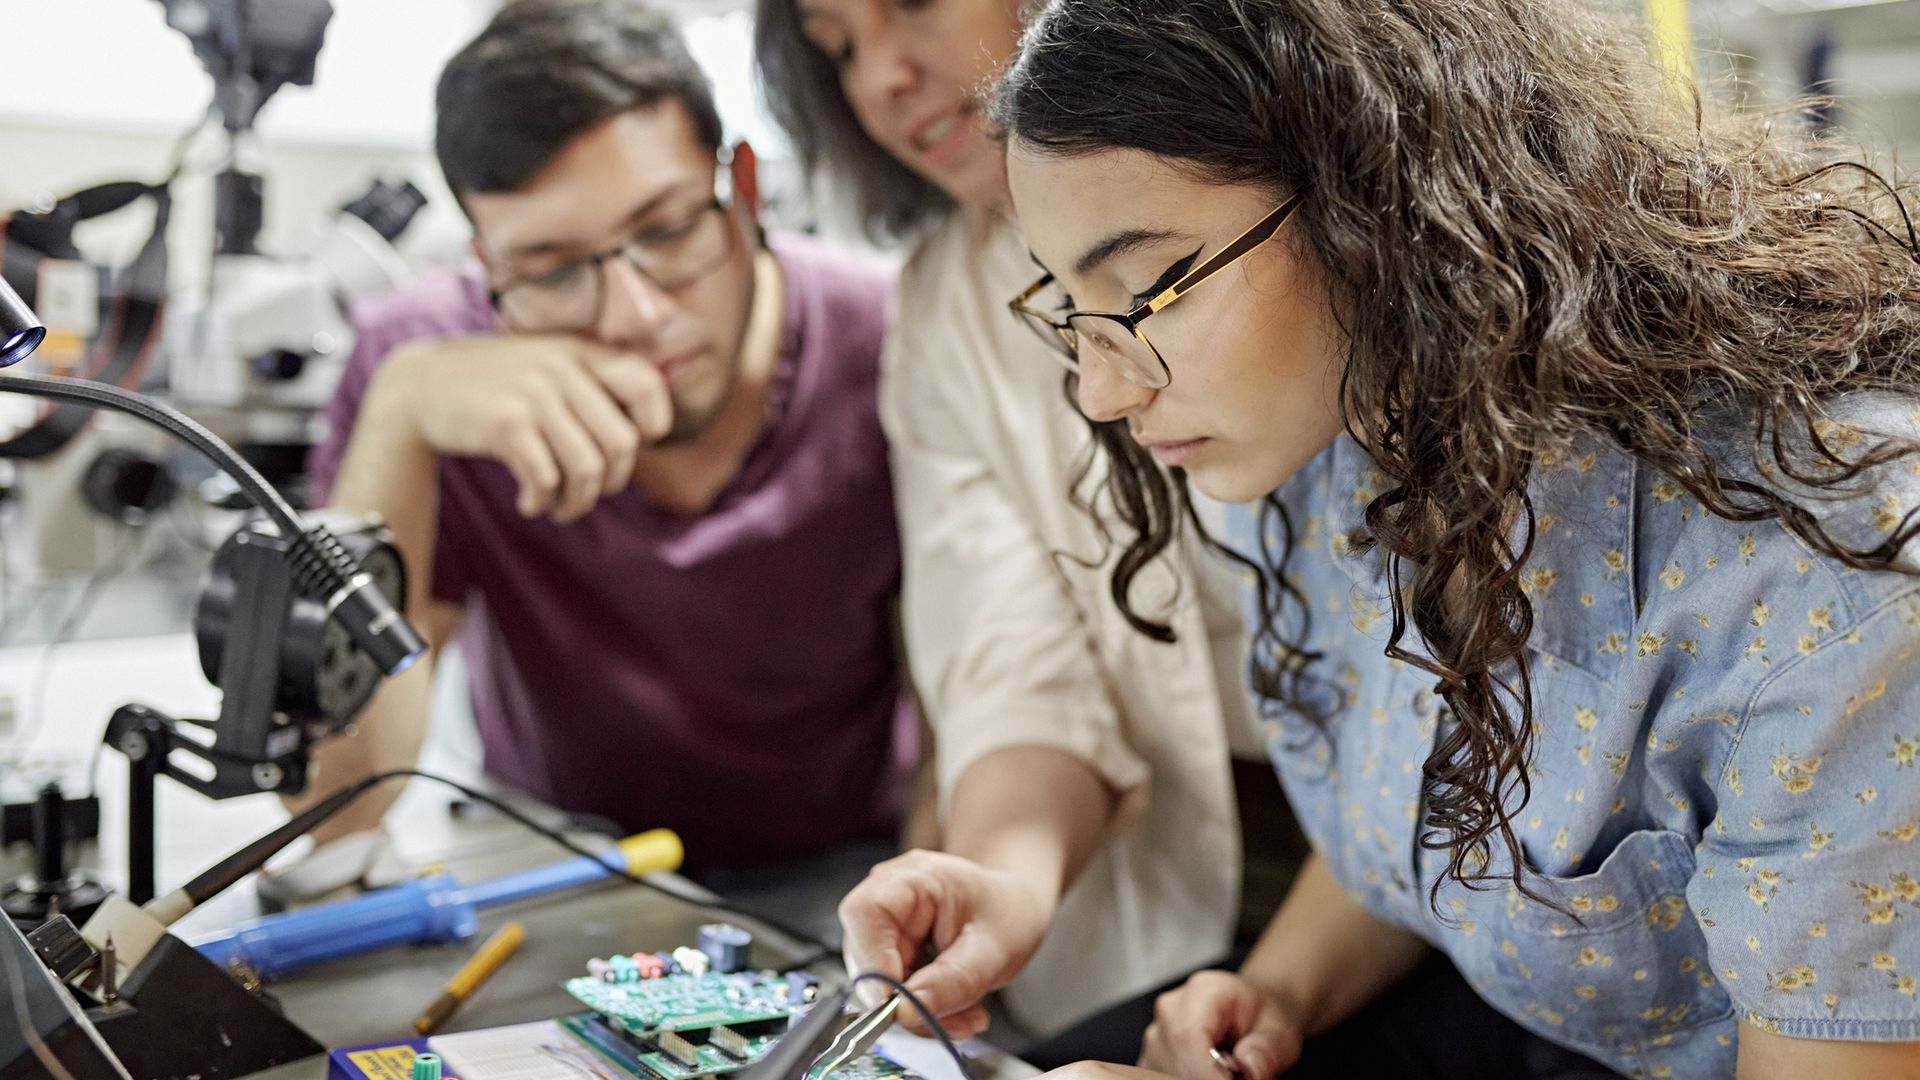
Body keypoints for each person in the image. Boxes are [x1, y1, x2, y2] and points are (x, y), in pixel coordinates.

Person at [975, 0, 1920, 1076]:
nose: (1101, 388)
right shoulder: (1344, 420)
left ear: (1379, 197)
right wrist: (1278, 992)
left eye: (1147, 287)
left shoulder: (1831, 589)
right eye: (1071, 308)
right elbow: (1442, 800)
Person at [294, 0, 913, 930]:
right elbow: (338, 802)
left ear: (742, 186)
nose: (631, 314)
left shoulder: (891, 344)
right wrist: (398, 419)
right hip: (547, 863)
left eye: (666, 231)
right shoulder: (424, 365)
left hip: (848, 875)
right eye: (549, 271)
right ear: (485, 260)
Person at [754, 0, 1288, 1041]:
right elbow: (1011, 653)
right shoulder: (944, 308)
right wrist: (996, 881)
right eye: (839, 46)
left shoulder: (1304, 219)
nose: (880, 79)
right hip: (1175, 866)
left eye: (910, 5)